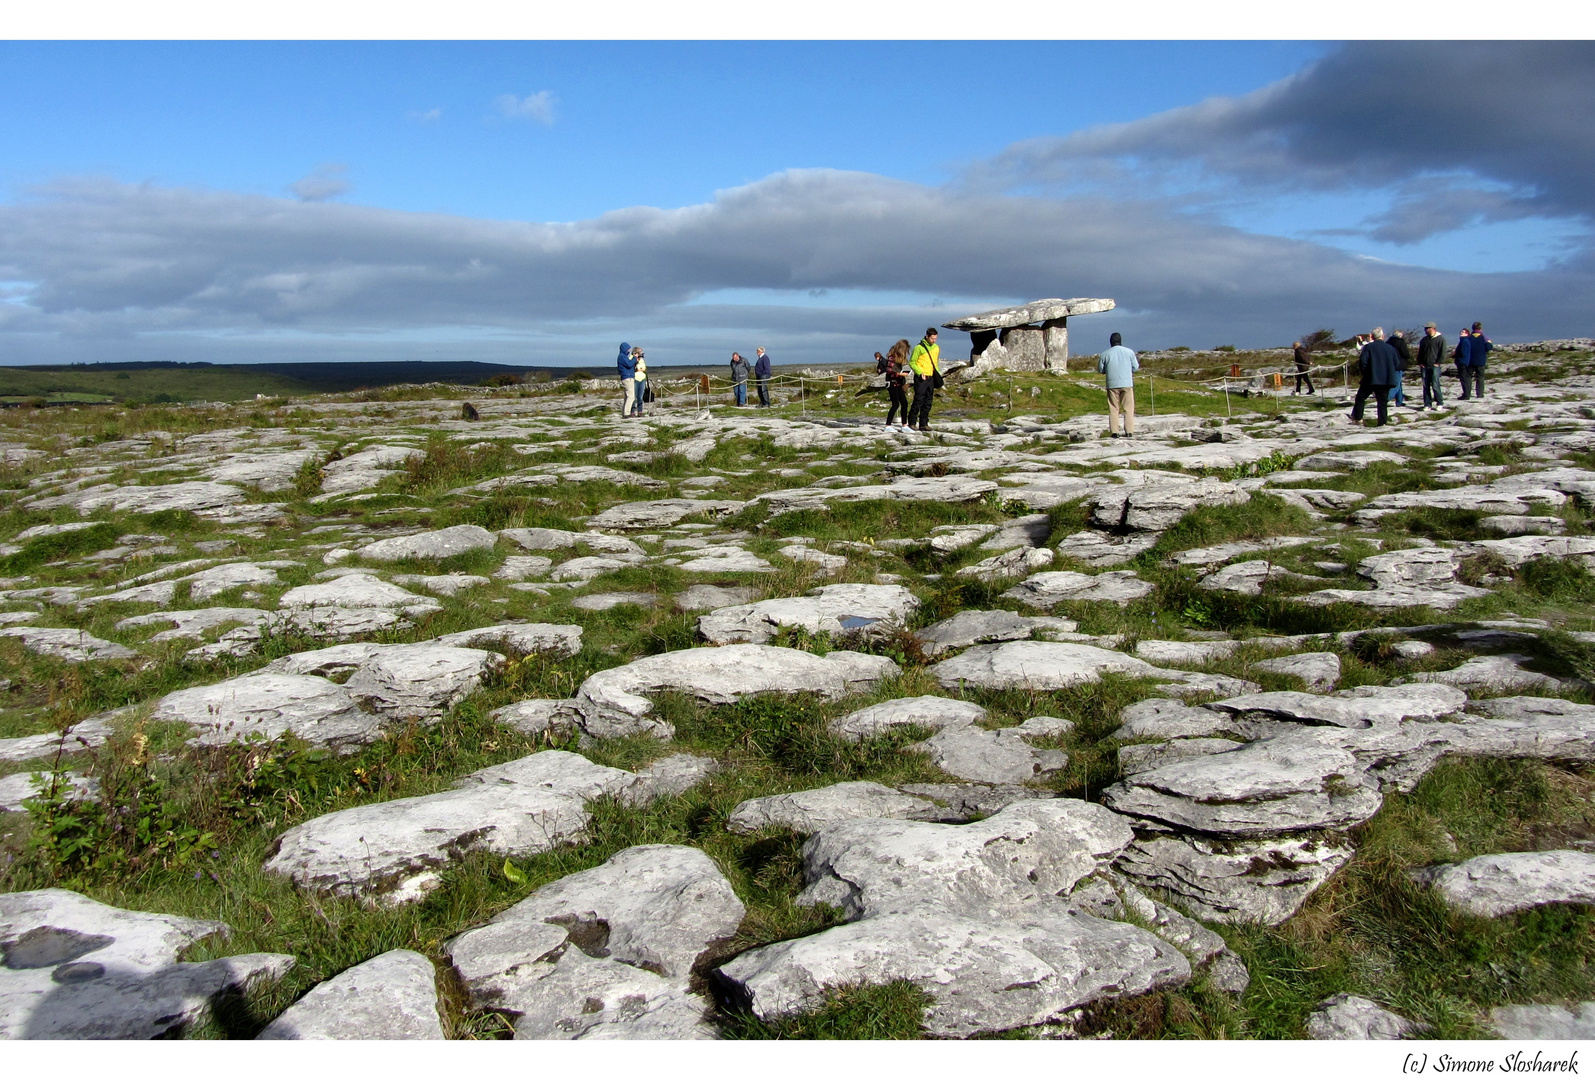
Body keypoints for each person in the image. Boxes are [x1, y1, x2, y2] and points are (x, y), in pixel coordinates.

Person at [1350, 327, 1400, 426]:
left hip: (1371, 378)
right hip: (1386, 379)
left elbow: (1363, 362)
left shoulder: (1368, 347)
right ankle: (1382, 422)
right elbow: (1397, 363)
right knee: (1382, 402)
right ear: (1383, 336)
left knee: (1360, 398)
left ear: (1372, 336)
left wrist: (1366, 372)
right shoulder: (1390, 348)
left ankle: (1358, 418)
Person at [1097, 332, 1140, 438]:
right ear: (1121, 341)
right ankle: (1129, 431)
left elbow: (1100, 369)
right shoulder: (1129, 352)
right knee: (1128, 408)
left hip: (1112, 384)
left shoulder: (1105, 354)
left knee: (1113, 408)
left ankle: (1114, 431)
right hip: (1126, 383)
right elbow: (1135, 367)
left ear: (1110, 342)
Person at [905, 328, 941, 431]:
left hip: (931, 377)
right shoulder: (918, 348)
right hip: (921, 377)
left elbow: (935, 362)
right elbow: (912, 362)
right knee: (918, 400)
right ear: (927, 336)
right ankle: (912, 422)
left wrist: (938, 374)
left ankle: (923, 423)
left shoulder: (936, 348)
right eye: (932, 338)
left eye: (935, 338)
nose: (934, 340)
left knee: (928, 401)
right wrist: (920, 372)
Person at [1416, 322, 1446, 409]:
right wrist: (1420, 362)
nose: (1425, 330)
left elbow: (1443, 353)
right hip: (1424, 366)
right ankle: (1427, 404)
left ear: (1432, 328)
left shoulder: (1441, 339)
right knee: (1425, 386)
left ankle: (1439, 403)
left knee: (1435, 385)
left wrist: (1438, 363)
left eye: (1427, 328)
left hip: (1434, 366)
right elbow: (1420, 352)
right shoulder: (1424, 340)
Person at [881, 339, 910, 426]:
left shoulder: (899, 359)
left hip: (899, 383)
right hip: (892, 383)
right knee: (895, 404)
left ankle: (904, 424)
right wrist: (900, 374)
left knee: (904, 403)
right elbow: (889, 372)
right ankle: (888, 425)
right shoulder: (892, 358)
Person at [1466, 321, 1492, 399]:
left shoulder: (1468, 338)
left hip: (1470, 361)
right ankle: (1480, 394)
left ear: (1472, 328)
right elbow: (1489, 347)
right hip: (1481, 360)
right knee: (1480, 378)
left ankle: (1467, 393)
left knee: (1468, 377)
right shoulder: (1484, 337)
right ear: (1480, 328)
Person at [1389, 330, 1411, 406]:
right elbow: (1405, 353)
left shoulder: (1388, 342)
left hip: (1390, 365)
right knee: (1397, 384)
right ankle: (1386, 398)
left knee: (1399, 383)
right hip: (1399, 365)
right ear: (1400, 335)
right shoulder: (1400, 342)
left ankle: (1399, 400)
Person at [616, 341, 637, 418]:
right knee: (631, 396)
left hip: (627, 376)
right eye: (628, 349)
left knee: (627, 396)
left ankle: (624, 412)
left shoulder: (623, 356)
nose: (629, 351)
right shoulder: (622, 356)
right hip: (627, 377)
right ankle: (626, 413)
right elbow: (629, 364)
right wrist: (634, 358)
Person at [1453, 328, 1474, 399]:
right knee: (1465, 378)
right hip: (1463, 361)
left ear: (1467, 334)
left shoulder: (1464, 341)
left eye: (1463, 332)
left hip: (1462, 362)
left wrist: (1455, 355)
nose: (1461, 333)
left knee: (1463, 378)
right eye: (1461, 331)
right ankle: (1466, 393)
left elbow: (1463, 352)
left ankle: (1466, 394)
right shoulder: (1464, 341)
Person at [631, 349, 648, 416]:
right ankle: (632, 411)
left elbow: (643, 368)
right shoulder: (631, 359)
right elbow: (634, 368)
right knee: (634, 396)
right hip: (635, 379)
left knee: (640, 397)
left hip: (642, 379)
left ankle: (640, 411)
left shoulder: (642, 360)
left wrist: (640, 369)